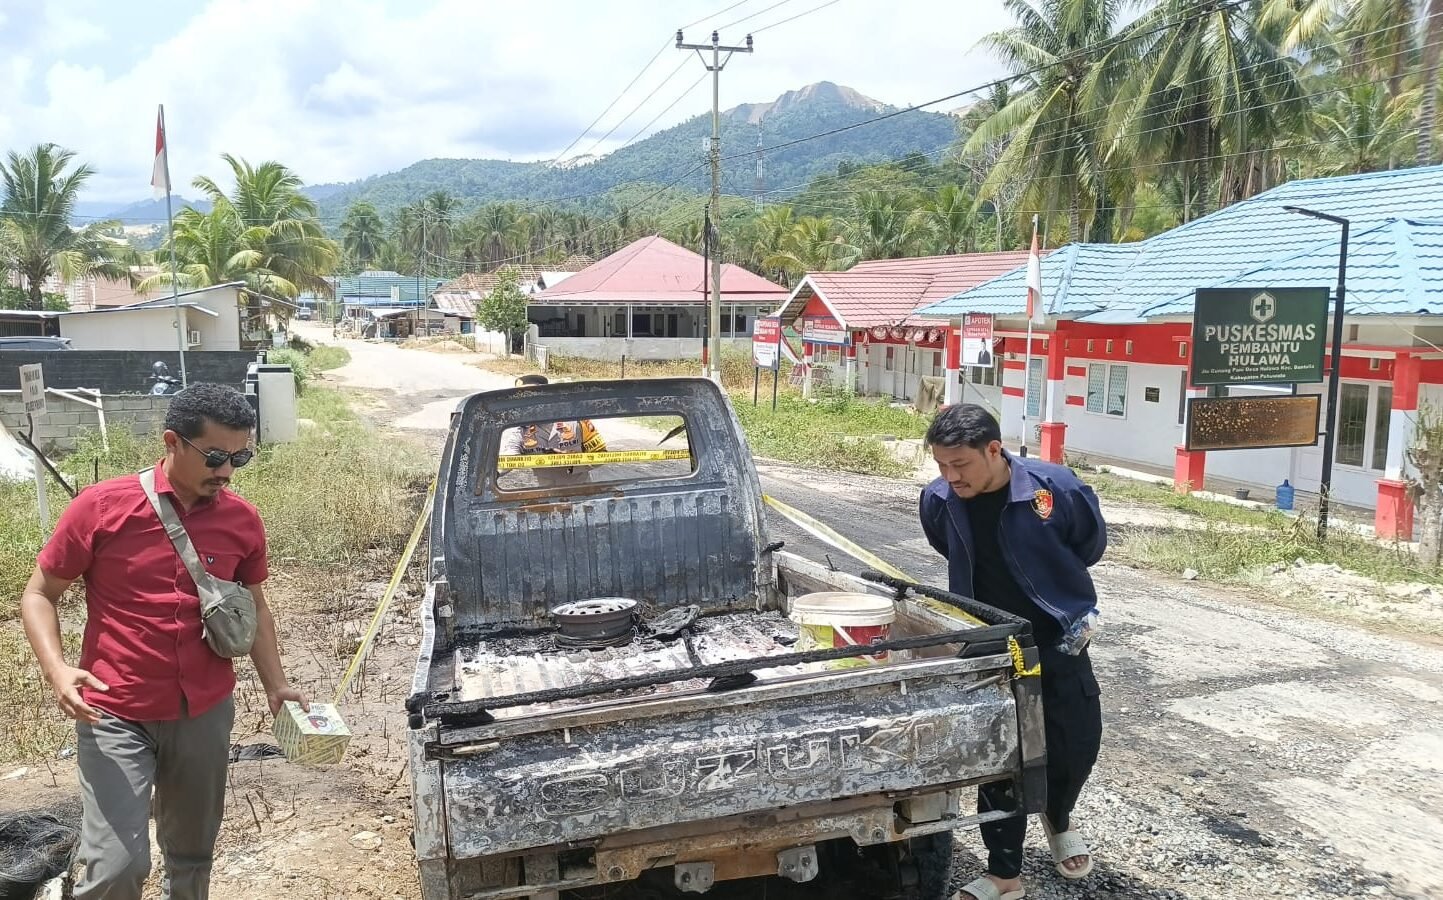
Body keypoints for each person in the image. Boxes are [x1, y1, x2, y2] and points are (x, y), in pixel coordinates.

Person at [19, 383, 307, 900]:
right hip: (114, 712)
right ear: (173, 441)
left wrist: (277, 686)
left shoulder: (242, 519)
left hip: (204, 711)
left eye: (240, 456)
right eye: (216, 456)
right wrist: (57, 670)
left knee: (193, 855)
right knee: (116, 866)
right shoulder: (103, 507)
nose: (227, 471)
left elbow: (256, 606)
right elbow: (40, 594)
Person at [917, 403, 1105, 900]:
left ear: (994, 450)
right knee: (999, 752)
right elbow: (947, 547)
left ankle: (1058, 816)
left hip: (1057, 636)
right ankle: (1004, 874)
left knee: (1076, 739)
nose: (950, 476)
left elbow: (1089, 545)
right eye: (941, 464)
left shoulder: (1056, 490)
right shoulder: (938, 500)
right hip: (995, 645)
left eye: (961, 465)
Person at [499, 374, 607, 487]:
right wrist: (498, 471)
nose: (527, 402)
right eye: (522, 398)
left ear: (546, 396)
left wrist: (573, 463)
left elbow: (601, 454)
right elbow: (509, 455)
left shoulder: (576, 420)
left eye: (532, 395)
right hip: (546, 494)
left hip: (579, 490)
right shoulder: (520, 429)